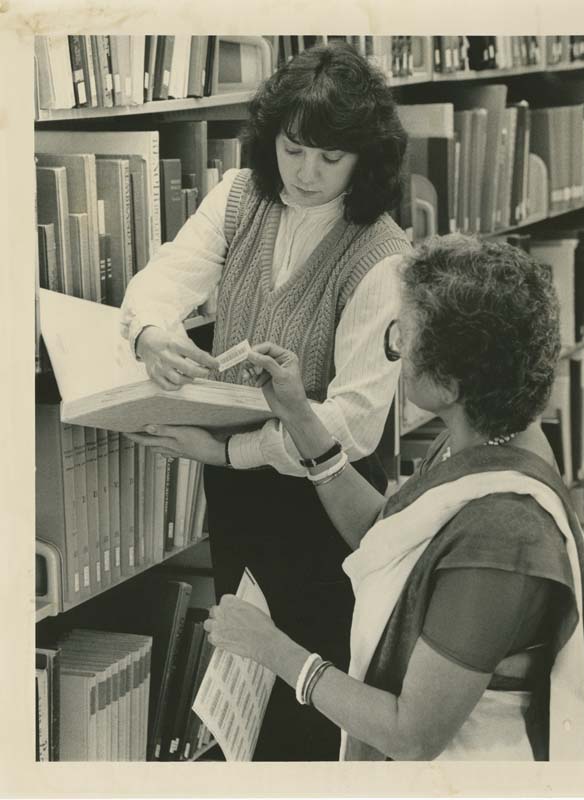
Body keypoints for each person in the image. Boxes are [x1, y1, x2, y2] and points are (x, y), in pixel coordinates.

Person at [120, 42, 412, 760]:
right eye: (293, 149)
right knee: (244, 695)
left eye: (330, 158)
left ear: (363, 161)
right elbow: (160, 280)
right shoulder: (241, 196)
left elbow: (350, 424)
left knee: (312, 701)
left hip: (330, 505)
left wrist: (226, 450)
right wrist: (153, 334)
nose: (307, 174)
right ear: (272, 141)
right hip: (242, 492)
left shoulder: (382, 255)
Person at [202, 234, 584, 761]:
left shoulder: (504, 534)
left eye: (402, 337)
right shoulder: (486, 437)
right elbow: (385, 534)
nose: (397, 352)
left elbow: (412, 733)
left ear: (451, 384)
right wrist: (299, 415)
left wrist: (273, 648)